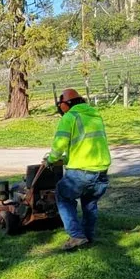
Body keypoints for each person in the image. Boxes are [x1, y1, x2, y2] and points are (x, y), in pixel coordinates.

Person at [44, 88, 111, 252]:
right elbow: (85, 145)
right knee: (90, 203)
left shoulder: (70, 117)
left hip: (81, 172)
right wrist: (67, 159)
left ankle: (76, 235)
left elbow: (59, 144)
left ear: (66, 104)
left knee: (63, 195)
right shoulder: (95, 115)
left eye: (61, 104)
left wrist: (51, 160)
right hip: (101, 172)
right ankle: (88, 236)